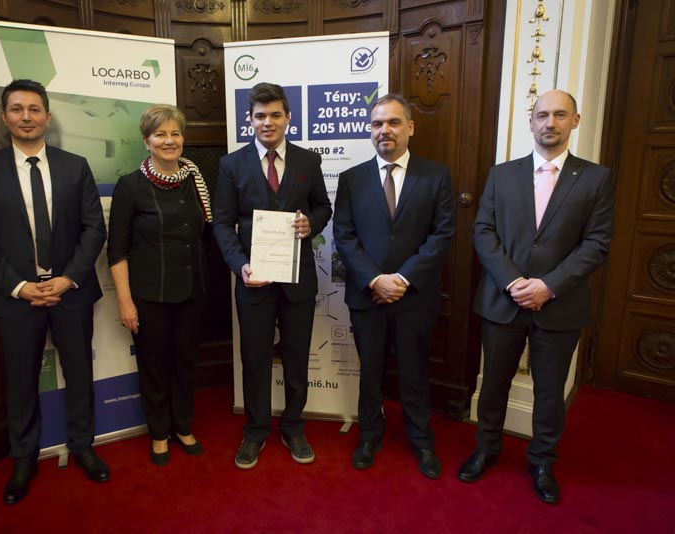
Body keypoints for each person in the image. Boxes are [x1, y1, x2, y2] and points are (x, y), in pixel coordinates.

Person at [460, 90, 613, 504]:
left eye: (560, 115)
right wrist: (513, 281)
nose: (550, 122)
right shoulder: (501, 175)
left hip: (560, 304)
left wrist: (548, 285)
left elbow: (596, 244)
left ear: (575, 121)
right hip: (502, 301)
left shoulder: (596, 179)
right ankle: (486, 449)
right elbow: (483, 231)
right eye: (542, 115)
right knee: (493, 384)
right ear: (531, 122)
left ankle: (542, 461)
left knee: (549, 392)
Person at [0, 79, 109, 505]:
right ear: (4, 116)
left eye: (33, 109)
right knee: (21, 381)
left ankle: (83, 445)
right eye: (16, 109)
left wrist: (68, 278)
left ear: (47, 116)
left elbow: (93, 229)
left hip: (70, 293)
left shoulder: (75, 166)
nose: (25, 117)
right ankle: (24, 457)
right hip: (16, 298)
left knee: (79, 374)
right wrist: (21, 286)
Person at [333, 94, 455, 477]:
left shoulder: (436, 176)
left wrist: (401, 279)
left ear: (410, 127)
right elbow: (344, 235)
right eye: (377, 124)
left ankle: (422, 441)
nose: (384, 130)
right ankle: (370, 436)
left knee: (414, 373)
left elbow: (442, 234)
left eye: (393, 122)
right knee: (370, 372)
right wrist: (375, 279)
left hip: (413, 296)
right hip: (367, 295)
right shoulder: (352, 179)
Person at [213, 82, 332, 469]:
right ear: (249, 120)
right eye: (260, 116)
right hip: (254, 280)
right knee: (255, 359)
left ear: (288, 118)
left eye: (275, 115)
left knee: (296, 357)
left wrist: (310, 224)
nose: (268, 122)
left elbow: (323, 207)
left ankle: (294, 427)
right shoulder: (231, 164)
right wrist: (239, 265)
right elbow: (222, 223)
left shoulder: (308, 161)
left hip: (299, 280)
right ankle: (255, 431)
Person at [107, 104, 211, 466]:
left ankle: (182, 426)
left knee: (186, 362)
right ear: (146, 141)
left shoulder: (195, 180)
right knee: (153, 366)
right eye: (160, 134)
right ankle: (158, 432)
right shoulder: (130, 186)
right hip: (150, 296)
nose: (169, 141)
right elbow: (117, 250)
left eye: (175, 134)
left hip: (193, 291)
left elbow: (207, 234)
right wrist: (125, 302)